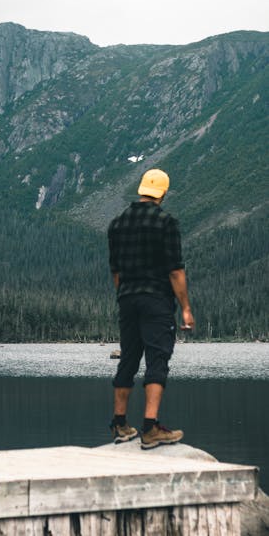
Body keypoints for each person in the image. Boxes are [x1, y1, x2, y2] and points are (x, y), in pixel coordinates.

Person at [107, 168, 195, 449]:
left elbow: (116, 271)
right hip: (156, 300)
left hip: (128, 298)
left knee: (128, 359)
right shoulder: (166, 223)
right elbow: (175, 271)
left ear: (142, 189)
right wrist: (185, 308)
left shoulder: (117, 223)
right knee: (158, 360)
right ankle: (150, 428)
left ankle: (120, 424)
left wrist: (124, 295)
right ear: (163, 193)